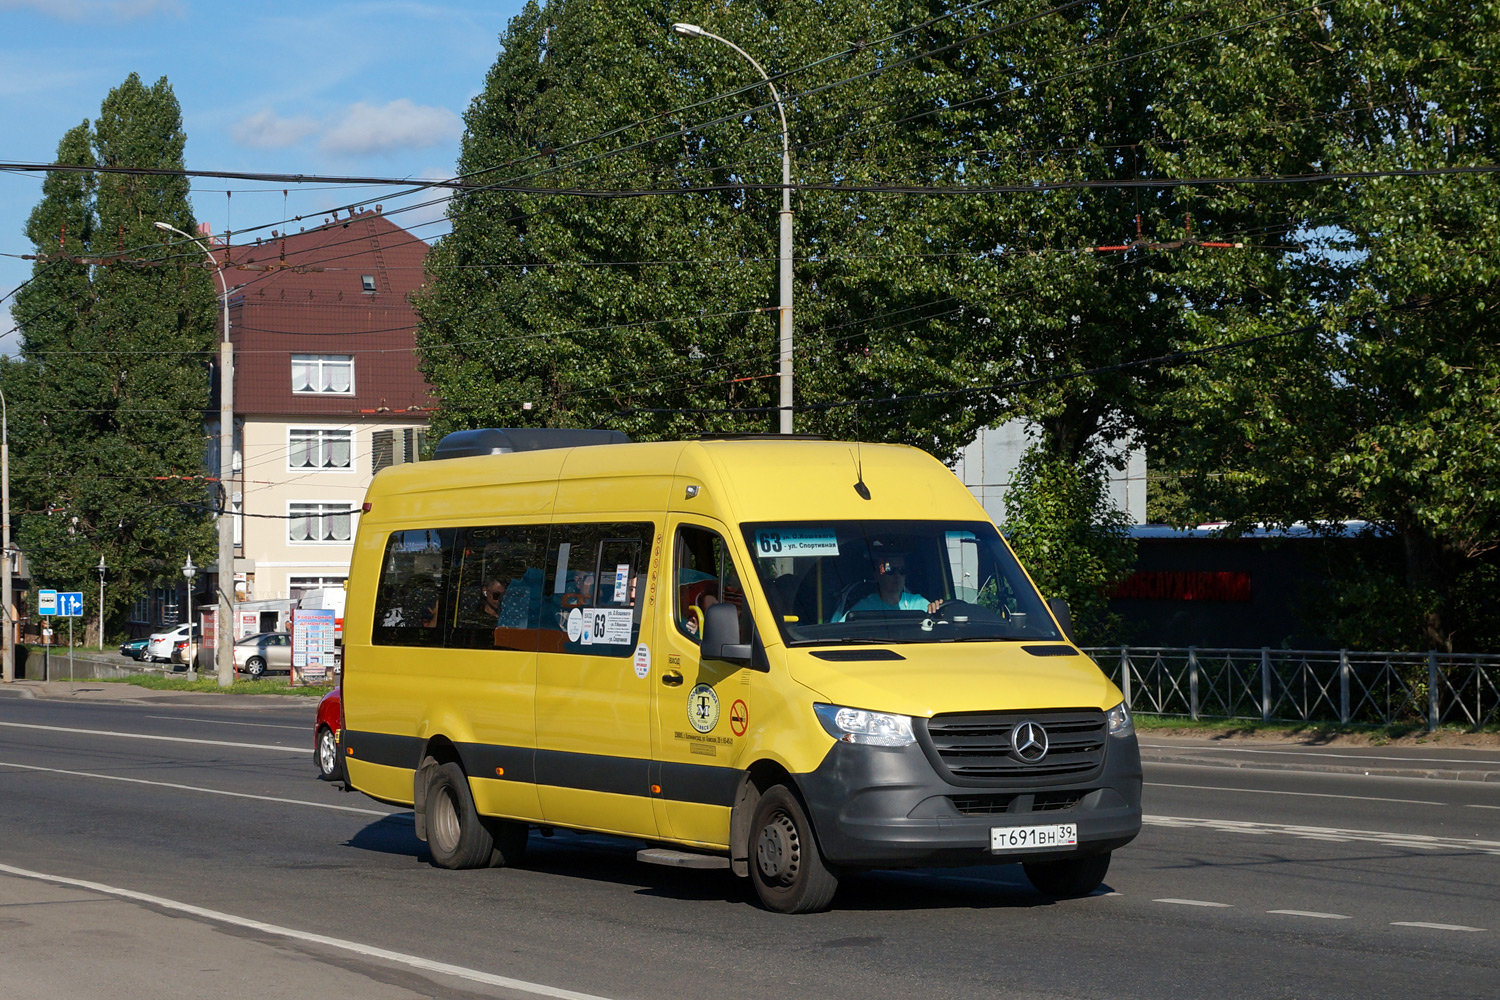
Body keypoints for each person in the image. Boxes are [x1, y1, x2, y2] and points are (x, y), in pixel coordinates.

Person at [834, 554, 944, 622]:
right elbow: (838, 632)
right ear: (876, 575)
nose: (897, 576)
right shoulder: (863, 607)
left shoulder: (919, 603)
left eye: (902, 570)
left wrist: (937, 611)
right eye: (890, 570)